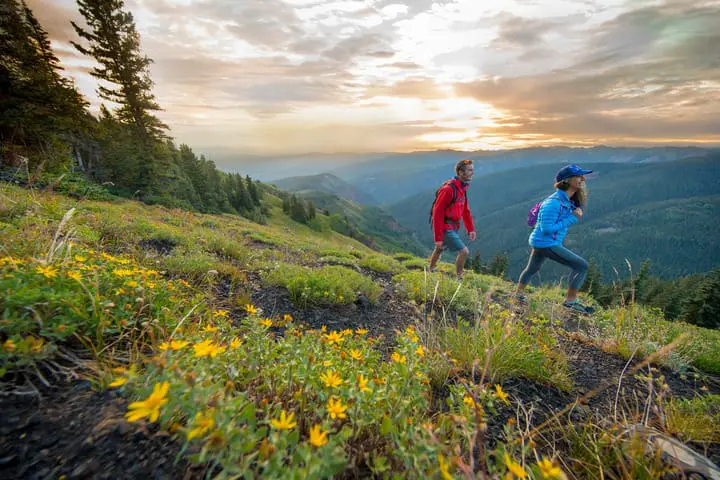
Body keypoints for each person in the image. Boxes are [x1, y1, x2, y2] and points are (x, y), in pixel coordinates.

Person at [516, 164, 595, 314]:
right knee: (581, 266)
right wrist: (572, 218)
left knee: (532, 268)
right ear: (567, 180)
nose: (582, 179)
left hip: (542, 242)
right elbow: (547, 229)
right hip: (546, 243)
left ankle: (518, 295)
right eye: (579, 176)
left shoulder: (565, 200)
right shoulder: (553, 203)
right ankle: (570, 302)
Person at [428, 158, 476, 280]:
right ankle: (459, 277)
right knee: (464, 251)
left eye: (472, 170)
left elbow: (465, 210)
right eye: (470, 170)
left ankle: (430, 269)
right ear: (460, 172)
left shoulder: (462, 189)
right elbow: (437, 213)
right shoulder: (448, 190)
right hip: (445, 227)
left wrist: (470, 229)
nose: (472, 173)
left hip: (454, 226)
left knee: (439, 249)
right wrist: (438, 237)